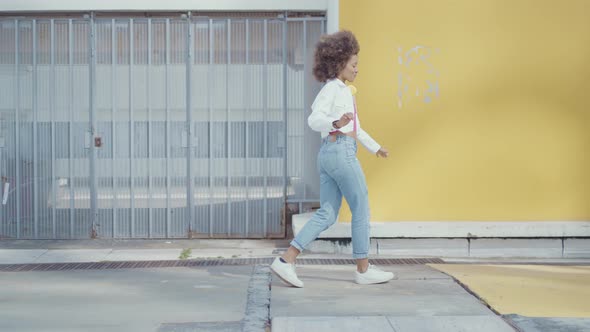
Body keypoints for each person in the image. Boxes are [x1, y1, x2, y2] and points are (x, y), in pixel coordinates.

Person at [270, 30, 394, 287]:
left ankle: (286, 260)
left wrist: (375, 147)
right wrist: (336, 122)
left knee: (327, 214)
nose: (358, 69)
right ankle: (363, 269)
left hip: (330, 153)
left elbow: (356, 127)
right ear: (340, 64)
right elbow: (314, 119)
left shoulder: (344, 91)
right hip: (340, 153)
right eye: (354, 64)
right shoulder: (333, 89)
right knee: (361, 208)